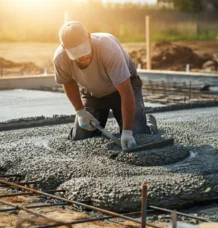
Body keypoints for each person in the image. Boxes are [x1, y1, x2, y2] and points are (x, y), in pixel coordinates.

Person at [53, 21, 150, 149]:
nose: (82, 57)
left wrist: (127, 132)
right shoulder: (60, 58)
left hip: (123, 89)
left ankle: (148, 123)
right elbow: (68, 82)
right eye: (76, 53)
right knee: (81, 137)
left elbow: (126, 92)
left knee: (138, 134)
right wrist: (80, 112)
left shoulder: (108, 49)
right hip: (94, 92)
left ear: (88, 37)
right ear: (64, 48)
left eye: (84, 50)